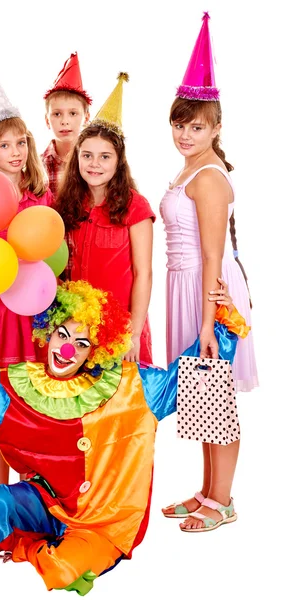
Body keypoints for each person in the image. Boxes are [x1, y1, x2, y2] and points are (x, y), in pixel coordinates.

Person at [0, 280, 249, 592]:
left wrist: (225, 326)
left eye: (82, 343)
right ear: (47, 333)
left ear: (97, 351)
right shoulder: (14, 386)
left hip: (103, 524)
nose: (68, 349)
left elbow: (190, 376)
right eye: (62, 335)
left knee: (67, 571)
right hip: (42, 501)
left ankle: (26, 544)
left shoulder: (130, 386)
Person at [159, 13, 258, 531]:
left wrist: (206, 321)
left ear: (216, 126)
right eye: (179, 124)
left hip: (209, 290)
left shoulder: (211, 177)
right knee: (202, 390)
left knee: (215, 387)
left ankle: (224, 500)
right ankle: (206, 491)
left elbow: (214, 256)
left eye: (196, 126)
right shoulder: (186, 168)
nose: (185, 133)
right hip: (185, 287)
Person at [0, 46, 53, 485]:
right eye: (5, 144)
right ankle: (2, 491)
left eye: (21, 142)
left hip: (36, 311)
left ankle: (33, 490)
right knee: (3, 405)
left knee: (37, 400)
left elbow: (51, 253)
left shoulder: (41, 193)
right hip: (0, 312)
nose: (15, 152)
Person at [56, 73, 155, 363]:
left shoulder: (135, 206)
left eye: (104, 157)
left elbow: (143, 274)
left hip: (120, 328)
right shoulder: (69, 203)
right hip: (75, 326)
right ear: (77, 159)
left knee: (120, 403)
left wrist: (133, 333)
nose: (94, 164)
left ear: (119, 161)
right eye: (87, 155)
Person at [41, 53, 91, 197]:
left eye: (73, 113)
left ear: (86, 118)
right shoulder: (38, 165)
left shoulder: (94, 163)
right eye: (57, 114)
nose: (65, 121)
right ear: (47, 120)